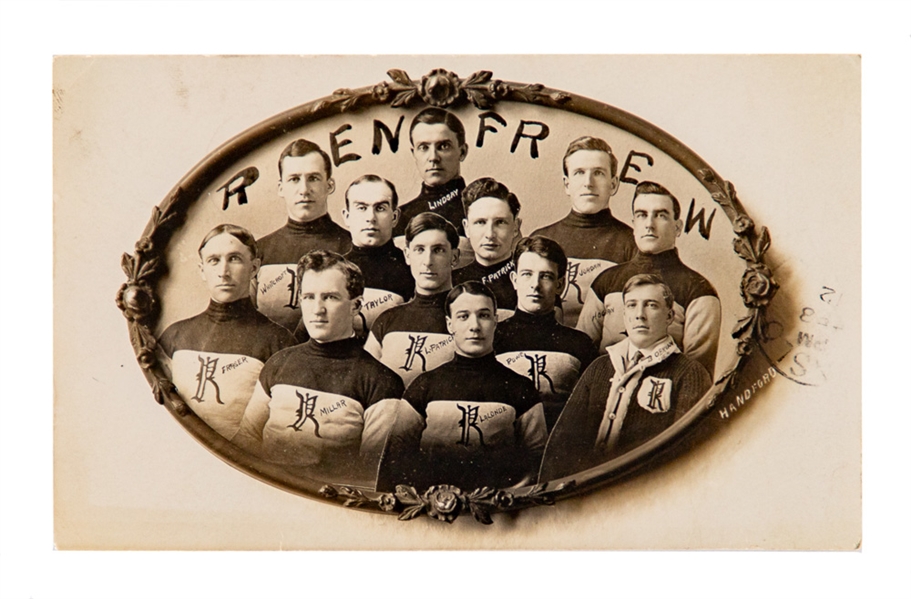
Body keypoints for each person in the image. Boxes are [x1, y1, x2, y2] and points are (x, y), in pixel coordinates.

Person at [232, 250, 405, 486]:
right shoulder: (278, 364)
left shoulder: (381, 382)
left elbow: (369, 475)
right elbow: (245, 443)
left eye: (331, 297)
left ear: (356, 306)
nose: (317, 309)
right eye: (309, 297)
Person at [539, 274, 712, 481]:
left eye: (651, 305)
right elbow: (562, 442)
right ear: (624, 314)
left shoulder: (689, 373)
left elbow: (689, 453)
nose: (640, 315)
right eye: (631, 305)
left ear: (669, 316)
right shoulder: (600, 367)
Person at [380, 282, 547, 492]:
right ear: (450, 324)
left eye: (484, 315)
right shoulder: (424, 386)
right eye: (463, 316)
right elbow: (398, 452)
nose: (475, 326)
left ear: (496, 321)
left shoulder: (521, 388)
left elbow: (538, 458)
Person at [158, 224, 296, 441]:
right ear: (202, 270)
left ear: (254, 268)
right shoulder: (175, 336)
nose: (223, 272)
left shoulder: (279, 342)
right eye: (214, 260)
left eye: (235, 259)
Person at [576, 181, 721, 376]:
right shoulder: (606, 281)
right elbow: (581, 353)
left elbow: (697, 375)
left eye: (661, 215)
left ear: (677, 227)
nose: (649, 224)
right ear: (634, 224)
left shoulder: (698, 290)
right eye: (642, 215)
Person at [288, 174, 414, 343]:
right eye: (361, 208)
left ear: (395, 217)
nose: (371, 218)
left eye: (380, 208)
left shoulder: (414, 269)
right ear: (346, 216)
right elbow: (301, 342)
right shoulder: (330, 271)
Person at [494, 236, 599, 431]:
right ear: (514, 280)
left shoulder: (579, 344)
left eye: (546, 276)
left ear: (560, 285)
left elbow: (590, 412)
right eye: (527, 274)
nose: (535, 285)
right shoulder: (492, 338)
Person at [530, 136, 637, 327]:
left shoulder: (633, 243)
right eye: (579, 172)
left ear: (613, 184)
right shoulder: (541, 239)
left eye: (598, 173)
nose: (588, 182)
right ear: (566, 184)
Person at [255, 139, 351, 331]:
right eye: (294, 179)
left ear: (330, 185)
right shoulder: (259, 251)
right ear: (281, 187)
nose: (304, 190)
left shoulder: (350, 246)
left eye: (313, 178)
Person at [364, 212, 460, 388]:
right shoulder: (388, 320)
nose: (428, 261)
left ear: (454, 257)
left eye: (438, 250)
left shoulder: (468, 317)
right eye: (420, 250)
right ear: (407, 255)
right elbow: (366, 384)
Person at [392, 107, 474, 266]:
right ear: (413, 153)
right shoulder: (398, 219)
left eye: (443, 146)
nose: (433, 158)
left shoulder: (483, 214)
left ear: (462, 152)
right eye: (423, 147)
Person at [452, 177, 522, 321]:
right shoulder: (451, 282)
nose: (490, 234)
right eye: (480, 222)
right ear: (466, 228)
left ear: (515, 227)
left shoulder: (530, 281)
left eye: (500, 222)